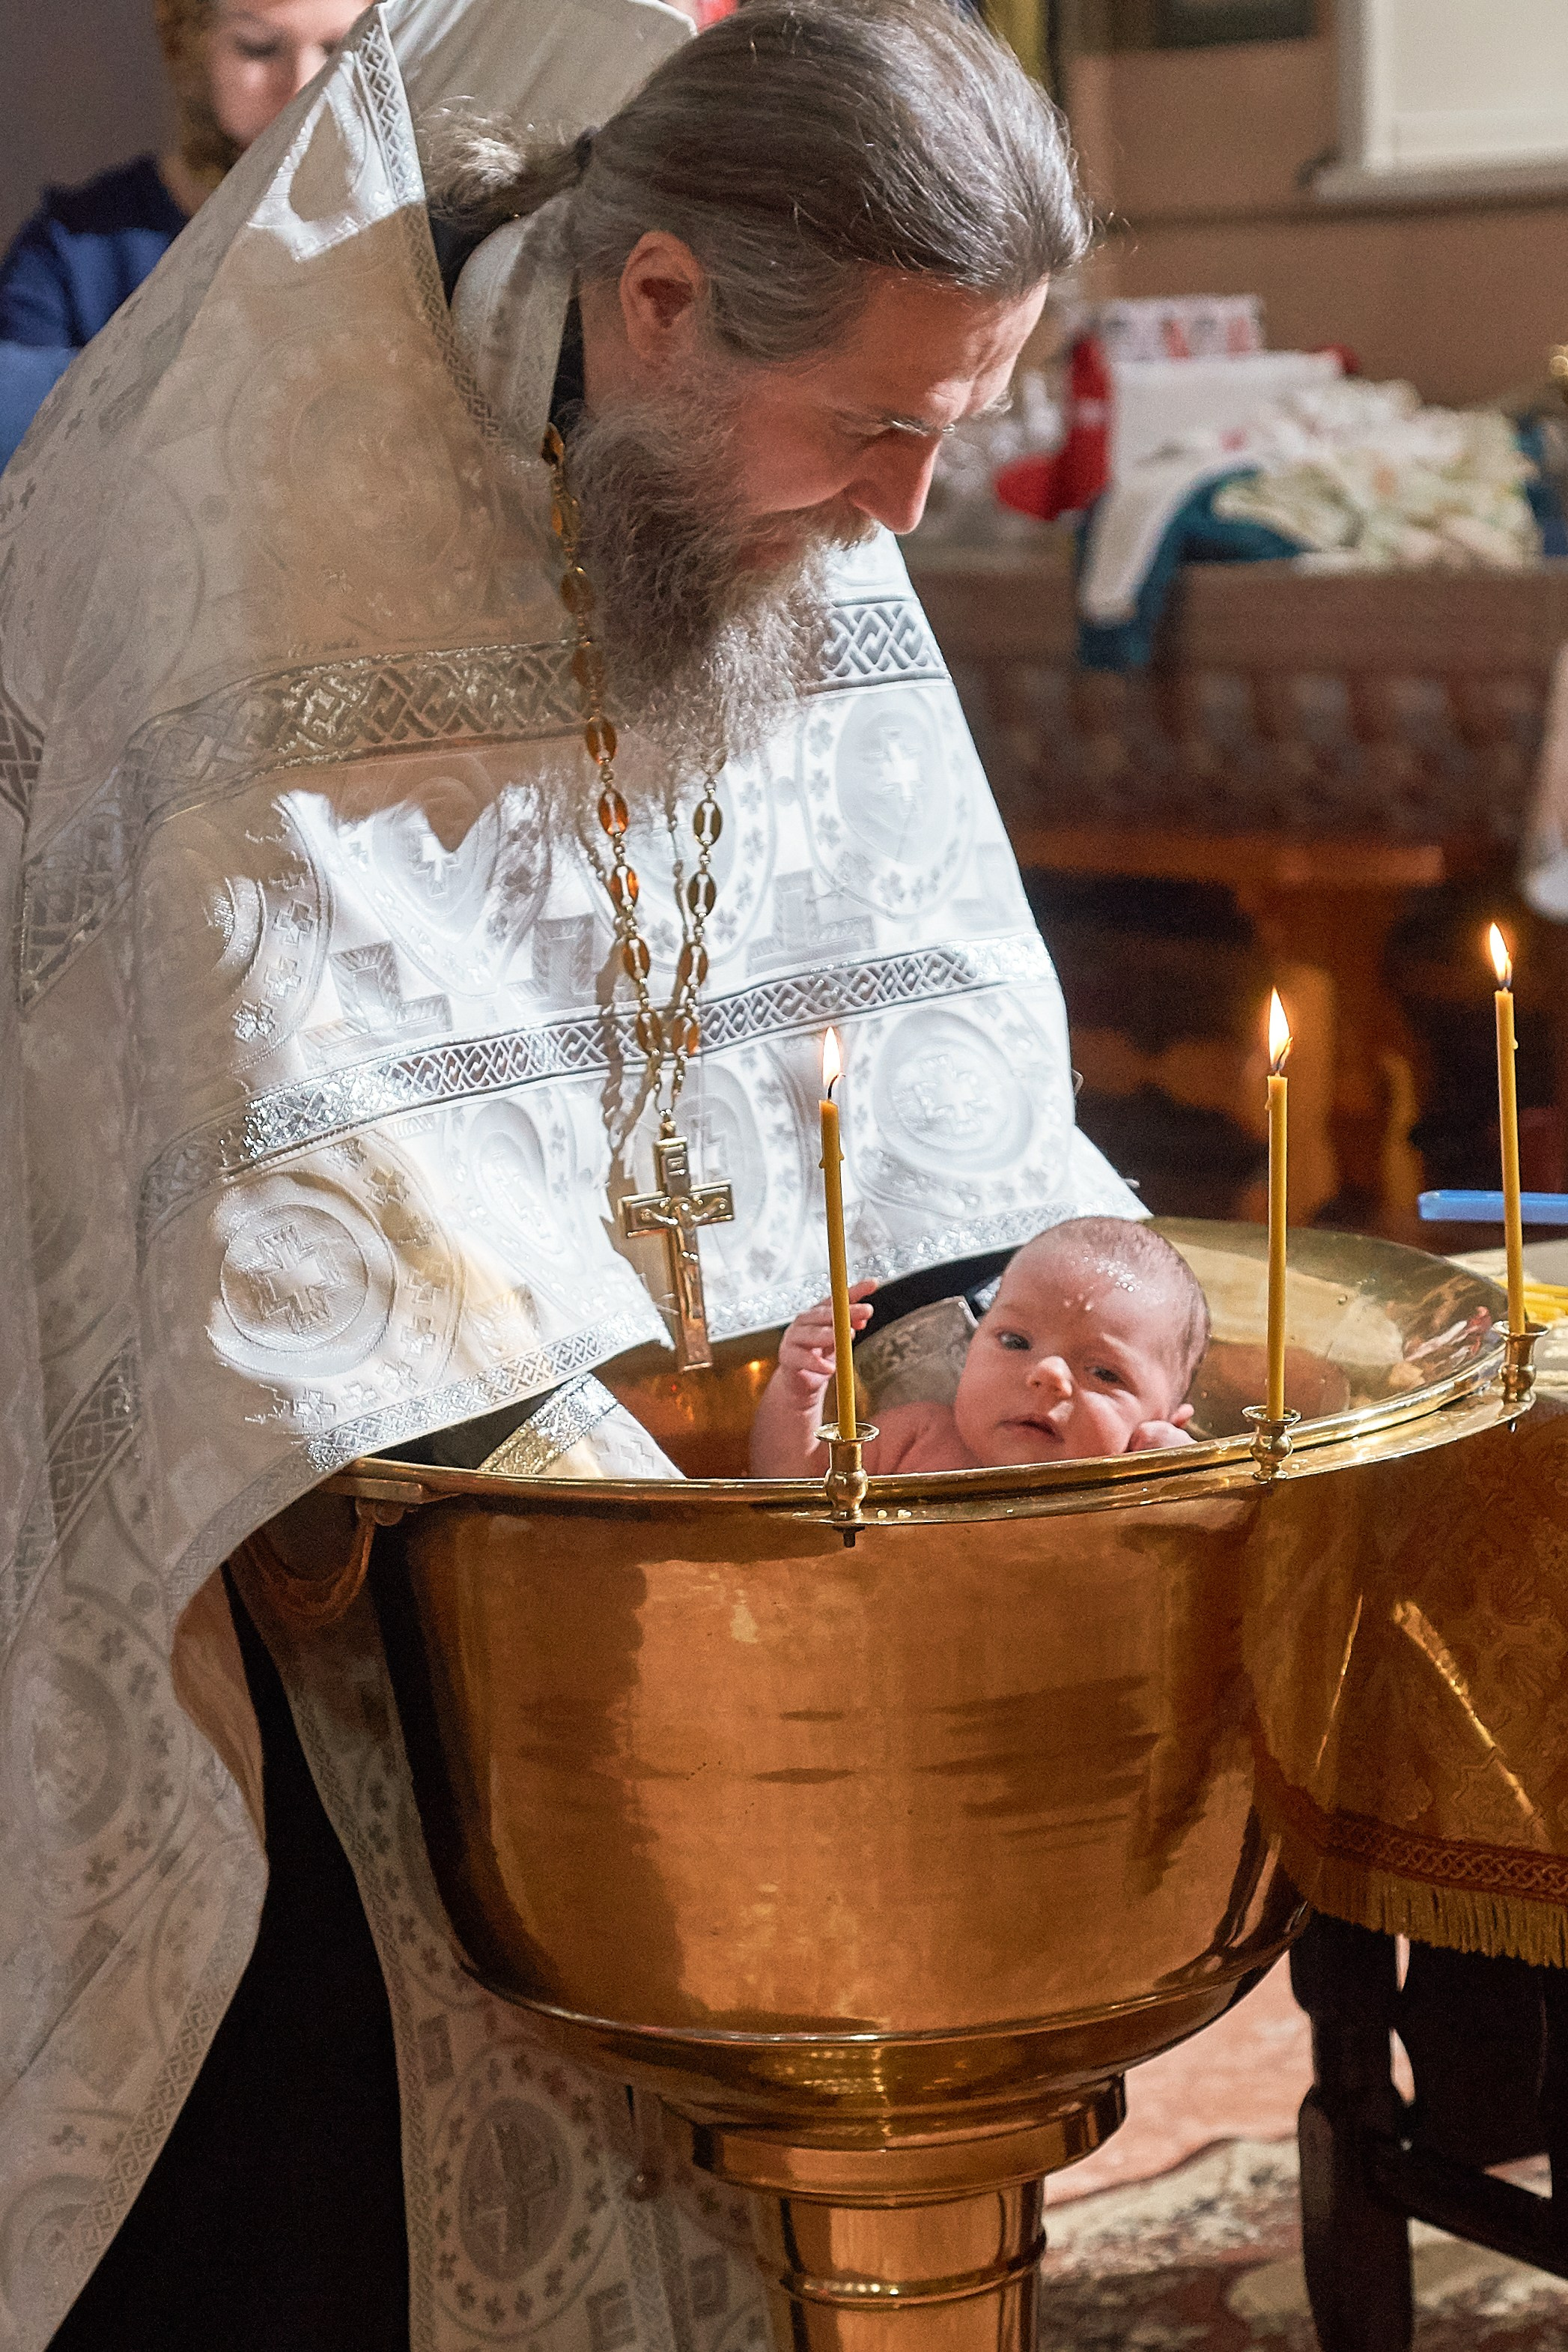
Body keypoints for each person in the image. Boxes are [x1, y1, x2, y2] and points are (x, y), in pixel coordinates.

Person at [0, 1, 1143, 2345]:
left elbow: (922, 1016)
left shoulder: (774, 461)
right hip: (339, 1548)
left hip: (707, 1521)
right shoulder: (232, 540)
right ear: (655, 305)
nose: (901, 513)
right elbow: (275, 1185)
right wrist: (664, 1561)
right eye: (878, 432)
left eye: (953, 428)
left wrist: (999, 1335)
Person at [0, 0, 365, 470]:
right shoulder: (74, 251)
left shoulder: (417, 230)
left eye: (341, 49)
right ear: (189, 48)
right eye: (258, 48)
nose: (300, 88)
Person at [752, 1218, 1208, 1475]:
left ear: (1166, 1420)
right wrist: (799, 1391)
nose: (1047, 1373)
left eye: (1105, 1373)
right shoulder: (919, 1436)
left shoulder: (1133, 1486)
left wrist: (1179, 1474)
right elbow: (794, 1487)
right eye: (1015, 1341)